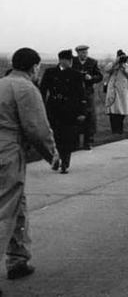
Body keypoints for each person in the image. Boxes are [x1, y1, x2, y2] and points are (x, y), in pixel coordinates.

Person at [0, 48, 59, 288]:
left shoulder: (2, 84)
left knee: (17, 203)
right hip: (8, 151)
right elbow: (37, 128)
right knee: (5, 208)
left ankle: (18, 259)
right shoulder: (25, 88)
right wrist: (52, 155)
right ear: (34, 67)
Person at [40, 49, 86, 174]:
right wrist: (41, 107)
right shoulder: (50, 73)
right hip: (53, 108)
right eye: (68, 60)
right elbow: (42, 91)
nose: (70, 62)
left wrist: (82, 112)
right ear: (61, 60)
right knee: (54, 136)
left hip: (69, 109)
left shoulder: (76, 74)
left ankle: (65, 162)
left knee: (67, 136)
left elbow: (81, 94)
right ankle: (55, 159)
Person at [72, 45, 103, 150]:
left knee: (90, 116)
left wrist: (91, 78)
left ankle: (88, 141)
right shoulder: (72, 61)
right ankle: (75, 142)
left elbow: (99, 76)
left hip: (88, 93)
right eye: (82, 53)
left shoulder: (93, 62)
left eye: (85, 52)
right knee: (75, 116)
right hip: (75, 93)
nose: (84, 54)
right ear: (77, 53)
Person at [104, 50, 128, 134]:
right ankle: (114, 129)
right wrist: (115, 63)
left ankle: (120, 128)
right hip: (113, 90)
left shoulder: (127, 66)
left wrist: (124, 67)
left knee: (122, 110)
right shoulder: (112, 64)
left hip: (122, 90)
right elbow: (106, 69)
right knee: (112, 110)